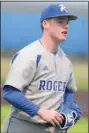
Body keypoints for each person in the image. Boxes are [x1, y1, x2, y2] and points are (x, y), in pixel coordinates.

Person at [2, 3, 82, 133]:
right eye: (60, 21)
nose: (66, 26)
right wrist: (40, 111)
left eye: (67, 23)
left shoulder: (66, 61)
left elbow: (68, 93)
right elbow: (10, 92)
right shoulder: (29, 55)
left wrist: (67, 112)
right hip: (23, 127)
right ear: (45, 24)